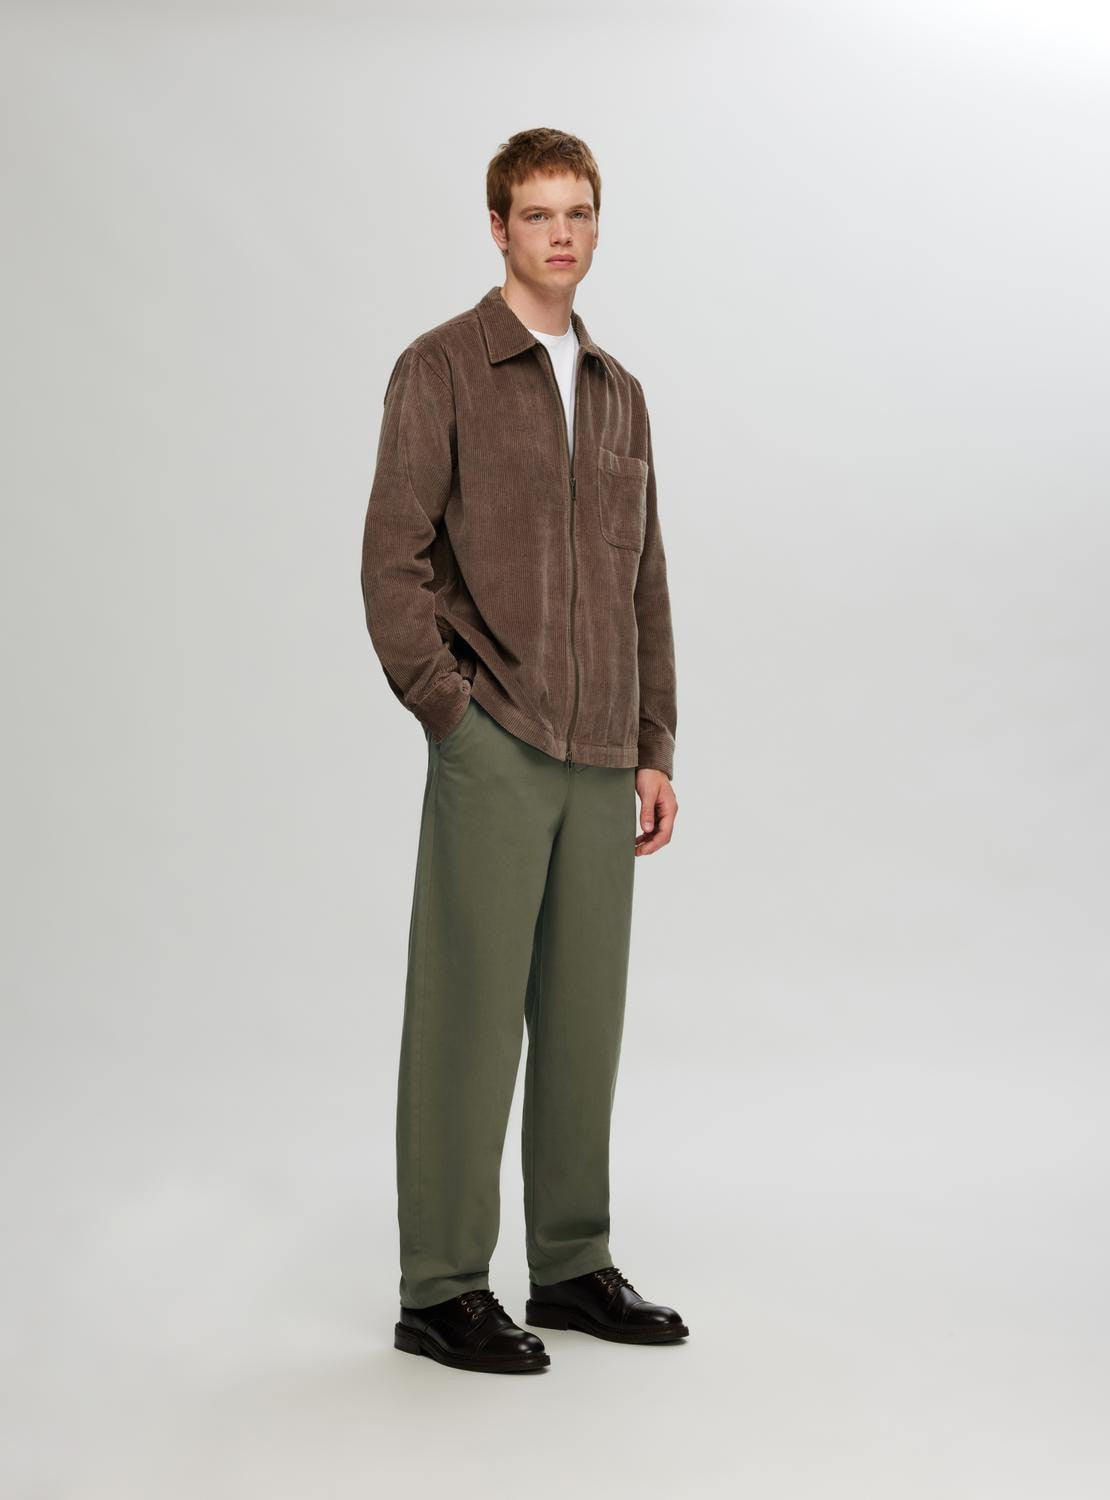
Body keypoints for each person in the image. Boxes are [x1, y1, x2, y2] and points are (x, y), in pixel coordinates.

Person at [360, 127, 687, 1374]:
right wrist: (451, 711)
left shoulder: (618, 392)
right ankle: (441, 1287)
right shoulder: (440, 368)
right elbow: (393, 562)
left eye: (579, 212)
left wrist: (653, 743)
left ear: (597, 227)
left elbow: (644, 578)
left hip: (603, 753)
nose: (562, 233)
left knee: (584, 1021)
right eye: (539, 213)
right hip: (494, 735)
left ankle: (571, 1264)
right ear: (498, 228)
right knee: (469, 1019)